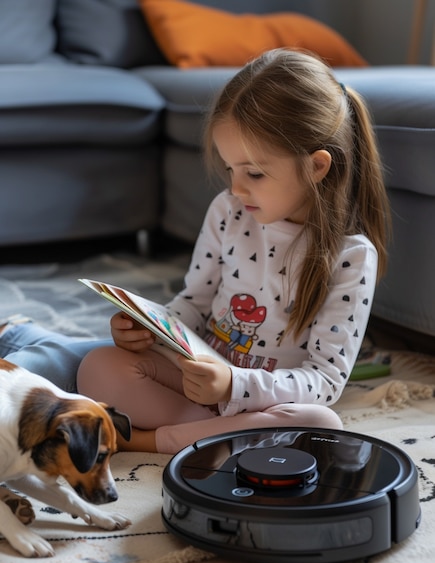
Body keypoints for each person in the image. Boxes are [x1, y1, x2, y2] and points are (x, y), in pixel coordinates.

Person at [0, 49, 390, 455]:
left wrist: (233, 384)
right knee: (99, 364)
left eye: (254, 173)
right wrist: (150, 329)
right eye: (230, 170)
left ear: (317, 167)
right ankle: (217, 436)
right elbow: (194, 304)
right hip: (192, 386)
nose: (237, 188)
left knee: (322, 422)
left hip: (264, 399)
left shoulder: (351, 256)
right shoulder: (228, 211)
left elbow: (324, 382)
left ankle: (150, 440)